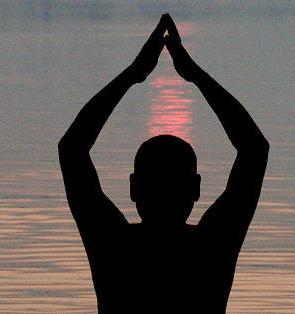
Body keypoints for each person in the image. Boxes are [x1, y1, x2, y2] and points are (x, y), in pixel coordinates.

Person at [58, 14, 269, 314]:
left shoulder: (114, 247)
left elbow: (72, 149)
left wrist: (134, 74)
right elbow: (254, 149)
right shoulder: (211, 248)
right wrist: (195, 75)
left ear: (133, 188)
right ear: (196, 189)